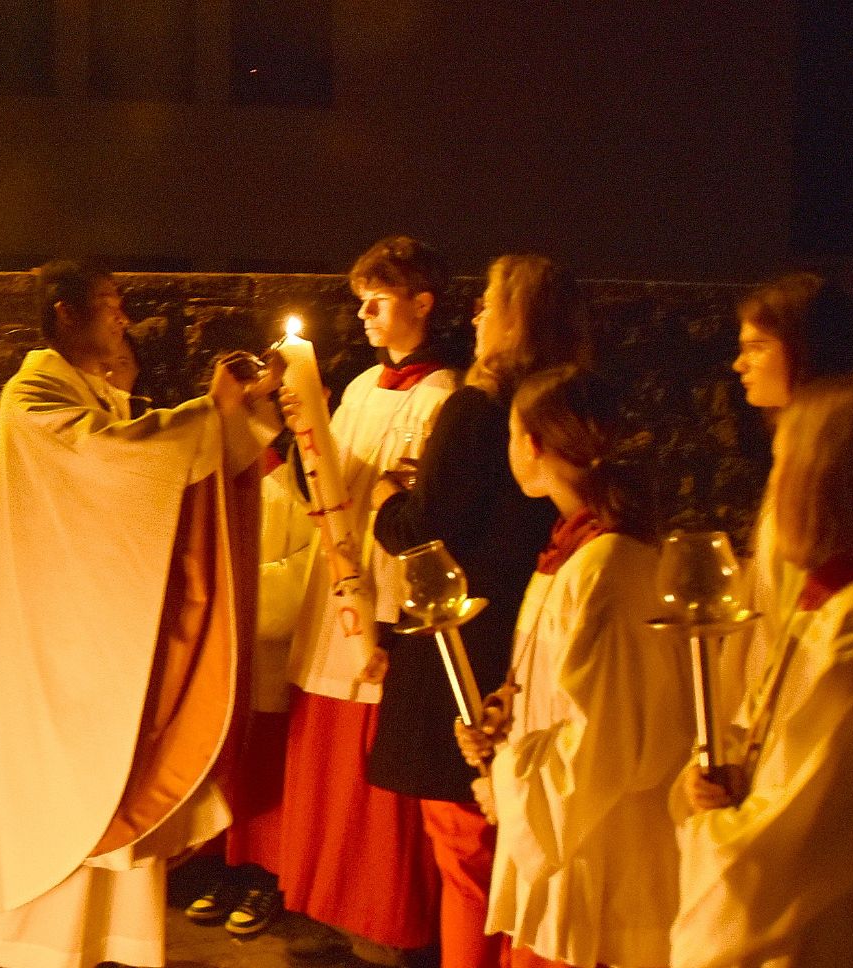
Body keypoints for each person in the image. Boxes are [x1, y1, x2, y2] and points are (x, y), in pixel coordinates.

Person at [0, 260, 282, 968]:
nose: (124, 319)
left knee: (111, 767)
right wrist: (213, 413)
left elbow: (164, 472)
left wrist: (248, 416)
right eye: (110, 305)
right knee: (59, 787)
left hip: (99, 639)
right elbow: (116, 462)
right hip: (49, 652)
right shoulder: (34, 398)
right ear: (64, 314)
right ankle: (26, 947)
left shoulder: (99, 399)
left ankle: (101, 941)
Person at [671, 371, 853, 967]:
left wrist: (713, 839)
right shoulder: (836, 605)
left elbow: (803, 839)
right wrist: (723, 777)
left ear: (824, 483)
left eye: (781, 464)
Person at [372, 254, 588, 968]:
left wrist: (384, 506)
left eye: (490, 304)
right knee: (511, 845)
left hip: (460, 650)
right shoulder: (565, 403)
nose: (475, 316)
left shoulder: (478, 410)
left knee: (465, 852)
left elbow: (425, 527)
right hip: (521, 647)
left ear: (516, 322)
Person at [455, 366, 688, 968]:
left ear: (530, 444)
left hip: (590, 853)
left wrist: (506, 784)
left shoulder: (607, 566)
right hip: (563, 838)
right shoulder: (573, 550)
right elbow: (559, 686)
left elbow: (604, 740)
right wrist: (505, 712)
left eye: (511, 435)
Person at [273, 236, 465, 959]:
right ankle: (328, 902)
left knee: (372, 779)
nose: (363, 316)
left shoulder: (441, 395)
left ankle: (382, 920)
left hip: (382, 602)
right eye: (359, 303)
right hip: (335, 596)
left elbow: (415, 510)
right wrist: (304, 435)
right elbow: (329, 487)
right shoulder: (356, 390)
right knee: (328, 765)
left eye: (377, 302)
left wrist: (387, 625)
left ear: (423, 303)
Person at [184, 436, 315, 937]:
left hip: (264, 654)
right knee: (219, 768)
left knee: (263, 775)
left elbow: (305, 570)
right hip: (215, 658)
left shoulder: (295, 485)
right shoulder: (206, 479)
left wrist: (232, 592)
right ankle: (221, 866)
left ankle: (263, 876)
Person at [717, 272, 853, 715]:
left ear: (806, 351)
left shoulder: (833, 469)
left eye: (757, 347)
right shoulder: (788, 458)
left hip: (800, 705)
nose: (740, 364)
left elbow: (801, 608)